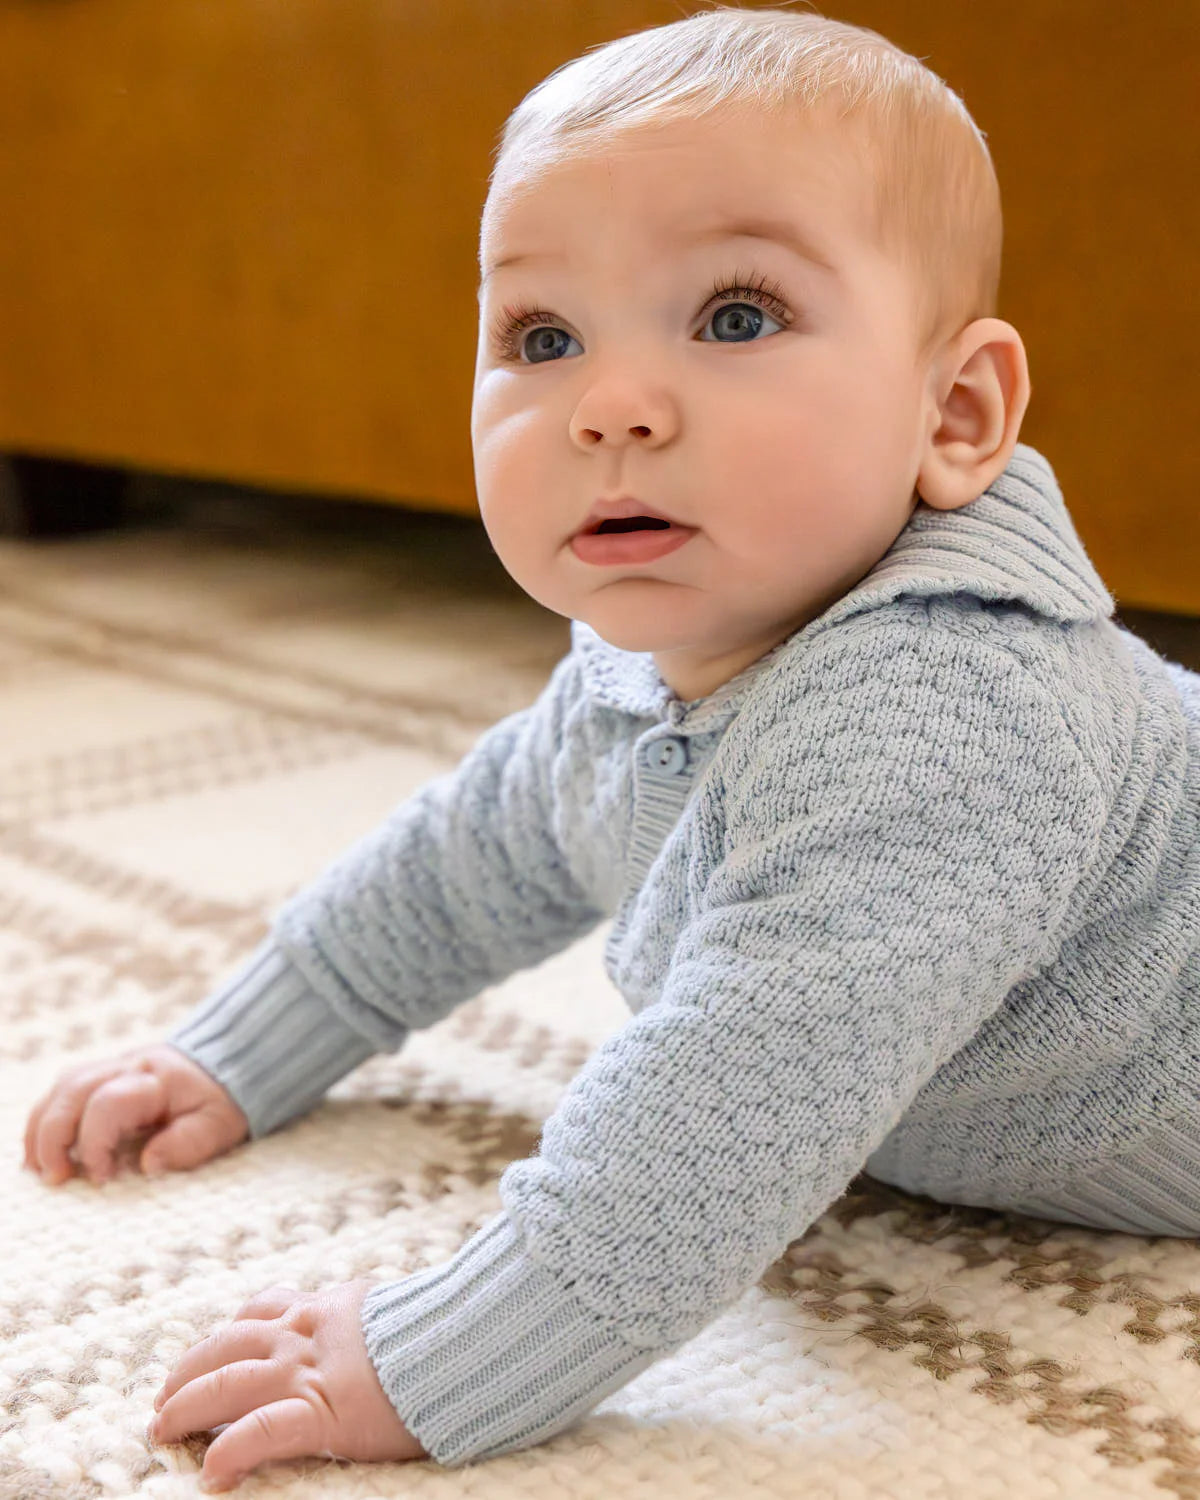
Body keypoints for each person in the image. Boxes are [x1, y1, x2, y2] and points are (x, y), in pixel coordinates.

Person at [22, 2, 1200, 1481]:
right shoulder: (637, 673)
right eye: (544, 337)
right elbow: (466, 862)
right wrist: (244, 1045)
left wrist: (452, 1350)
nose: (613, 408)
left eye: (737, 317)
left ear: (955, 412)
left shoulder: (954, 718)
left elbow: (731, 1101)